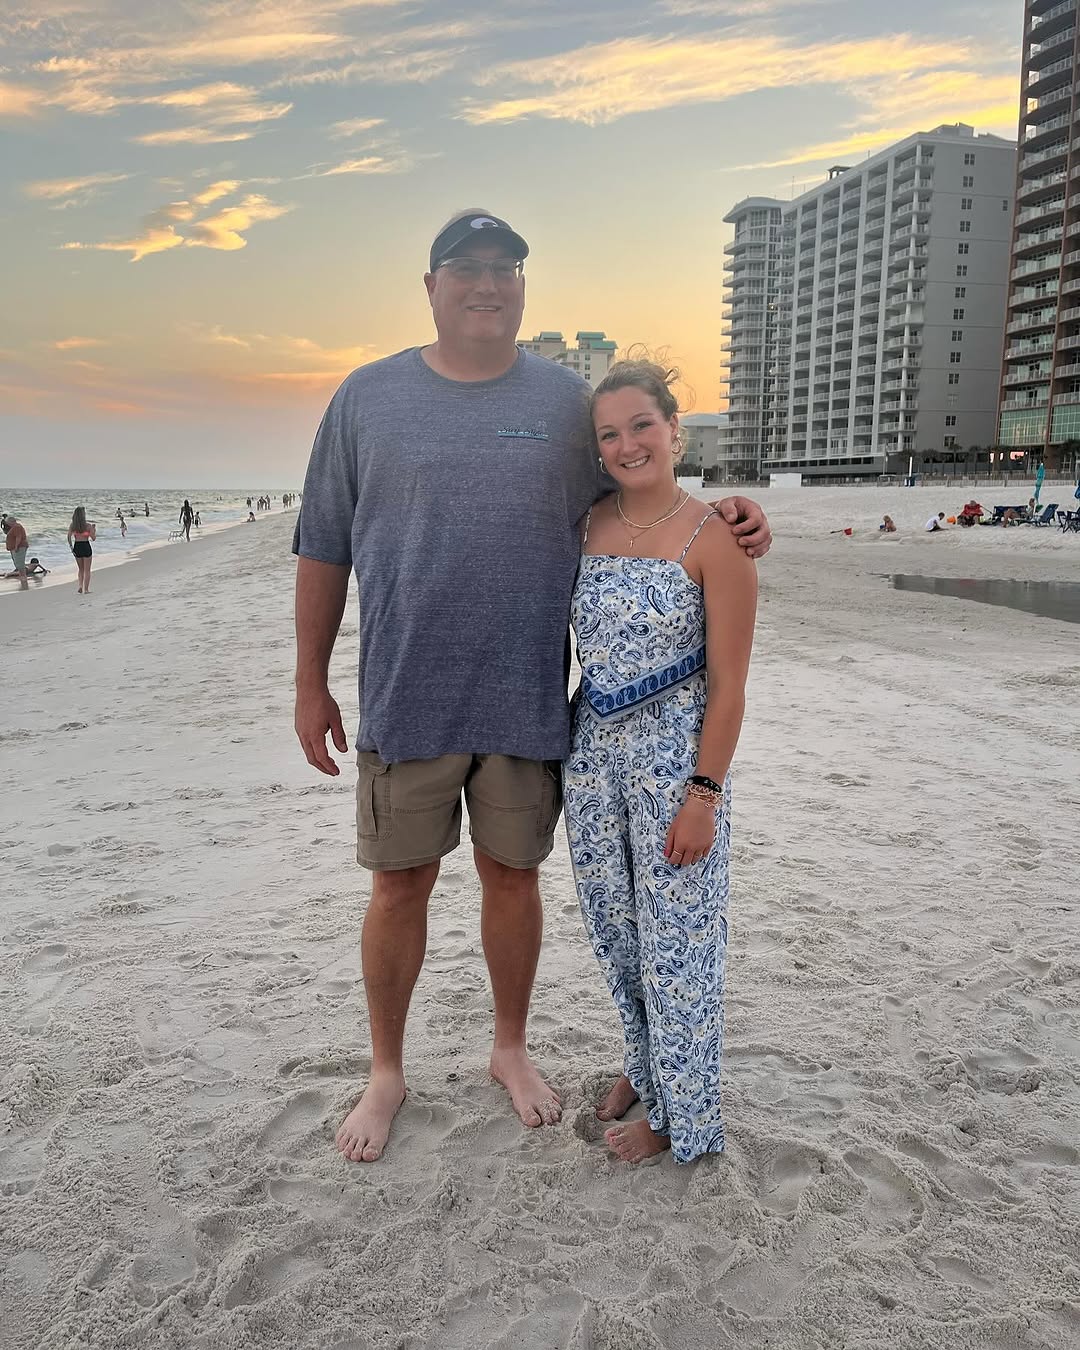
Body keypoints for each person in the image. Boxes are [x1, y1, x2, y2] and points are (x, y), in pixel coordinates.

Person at [292, 208, 773, 1166]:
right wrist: (310, 682)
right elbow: (323, 546)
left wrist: (732, 515)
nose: (487, 283)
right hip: (406, 694)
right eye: (466, 267)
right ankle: (386, 1072)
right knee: (398, 886)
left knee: (512, 880)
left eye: (505, 268)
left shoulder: (563, 402)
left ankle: (508, 1048)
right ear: (431, 285)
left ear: (521, 285)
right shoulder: (365, 398)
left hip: (526, 700)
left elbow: (637, 490)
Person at [564, 360, 757, 1165]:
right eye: (609, 433)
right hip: (590, 763)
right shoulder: (584, 523)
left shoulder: (718, 540)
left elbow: (731, 685)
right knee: (618, 935)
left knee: (681, 945)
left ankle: (684, 1121)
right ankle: (645, 1071)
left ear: (675, 429)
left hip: (676, 768)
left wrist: (704, 796)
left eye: (642, 425)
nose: (627, 444)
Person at [67, 506, 96, 593]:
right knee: (87, 570)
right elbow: (93, 538)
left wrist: (71, 547)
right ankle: (86, 589)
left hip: (77, 546)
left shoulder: (73, 526)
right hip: (86, 545)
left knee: (81, 569)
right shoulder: (88, 526)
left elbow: (68, 537)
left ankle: (80, 586)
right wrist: (93, 530)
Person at [4, 513, 29, 591]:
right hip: (16, 547)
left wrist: (16, 547)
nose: (7, 524)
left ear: (11, 522)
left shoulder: (17, 527)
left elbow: (18, 537)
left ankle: (24, 580)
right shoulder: (14, 527)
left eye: (7, 522)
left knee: (20, 564)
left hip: (19, 547)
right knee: (18, 564)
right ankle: (23, 578)